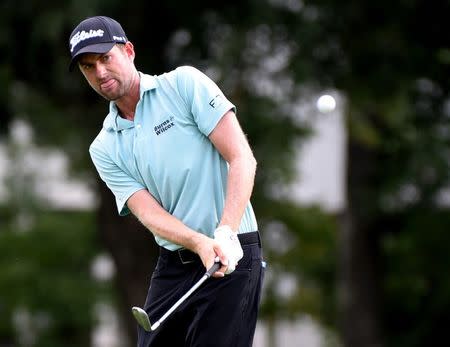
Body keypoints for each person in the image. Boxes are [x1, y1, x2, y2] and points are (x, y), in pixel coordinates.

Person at [68, 15, 265, 347]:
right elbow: (149, 213)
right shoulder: (104, 146)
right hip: (176, 262)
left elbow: (242, 158)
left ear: (128, 51)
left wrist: (225, 232)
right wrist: (199, 243)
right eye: (89, 67)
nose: (100, 72)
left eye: (105, 58)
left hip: (233, 251)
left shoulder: (184, 85)